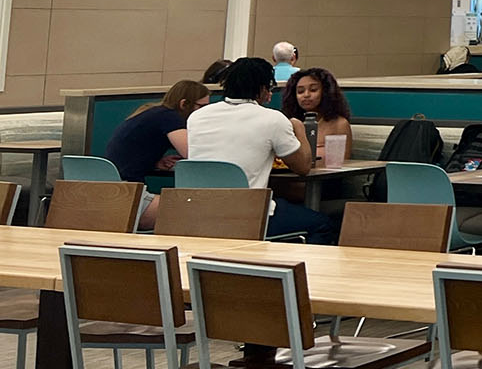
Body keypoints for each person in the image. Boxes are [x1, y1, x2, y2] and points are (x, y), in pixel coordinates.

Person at [185, 57, 334, 243]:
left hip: (197, 213)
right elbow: (303, 167)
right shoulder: (272, 119)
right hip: (249, 216)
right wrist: (300, 128)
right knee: (322, 224)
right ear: (263, 89)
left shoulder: (196, 117)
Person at [105, 79, 209, 228]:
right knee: (197, 211)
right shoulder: (169, 118)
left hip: (111, 192)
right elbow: (192, 153)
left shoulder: (151, 112)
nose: (205, 112)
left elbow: (129, 152)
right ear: (184, 104)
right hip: (129, 196)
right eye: (202, 107)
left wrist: (153, 161)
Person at [281, 68, 352, 161]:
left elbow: (341, 162)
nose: (306, 95)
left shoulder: (339, 124)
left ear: (326, 92)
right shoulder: (288, 123)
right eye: (300, 91)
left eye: (313, 90)